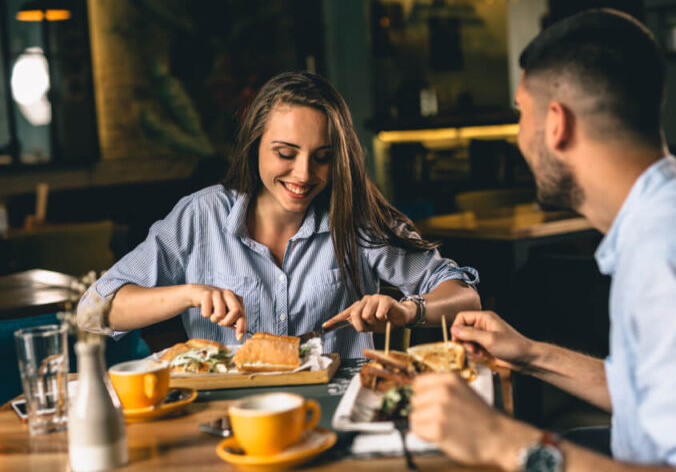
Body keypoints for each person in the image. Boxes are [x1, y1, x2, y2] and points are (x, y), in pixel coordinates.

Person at [410, 9, 676, 472]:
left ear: (557, 124)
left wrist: (502, 440)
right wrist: (531, 354)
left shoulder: (671, 253)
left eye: (522, 114)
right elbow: (652, 391)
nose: (519, 137)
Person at [78, 72, 480, 357]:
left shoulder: (354, 218)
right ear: (255, 145)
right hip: (226, 419)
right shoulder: (200, 216)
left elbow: (465, 299)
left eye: (322, 158)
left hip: (335, 417)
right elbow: (92, 312)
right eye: (285, 154)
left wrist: (408, 310)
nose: (303, 175)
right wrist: (189, 293)